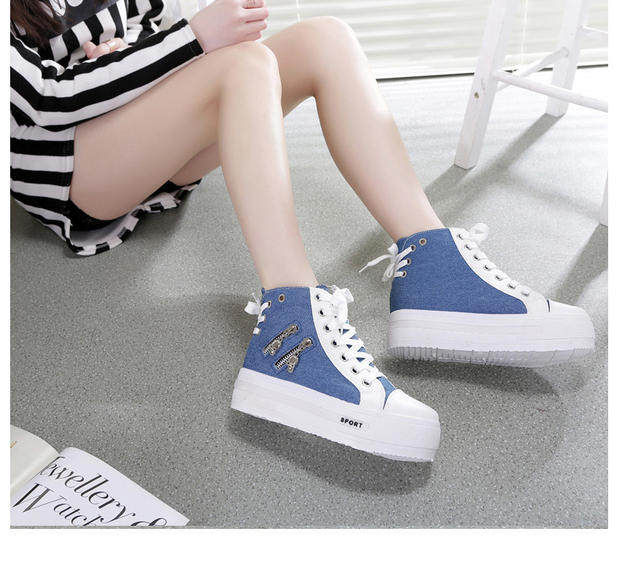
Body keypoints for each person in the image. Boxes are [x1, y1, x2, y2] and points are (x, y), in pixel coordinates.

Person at [10, 0, 595, 461]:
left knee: (324, 38)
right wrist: (192, 40)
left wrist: (142, 51)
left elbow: (150, 29)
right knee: (244, 66)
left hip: (142, 134)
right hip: (73, 169)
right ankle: (289, 330)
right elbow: (39, 99)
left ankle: (432, 266)